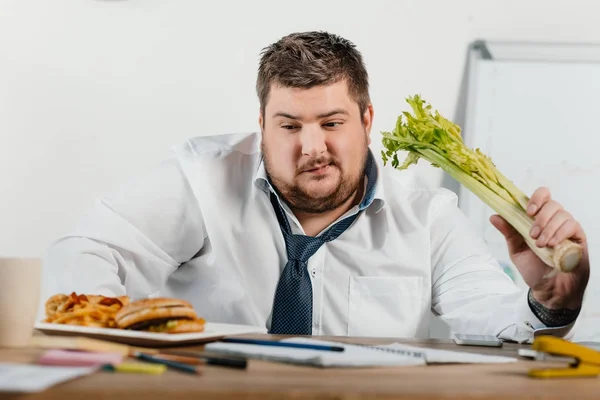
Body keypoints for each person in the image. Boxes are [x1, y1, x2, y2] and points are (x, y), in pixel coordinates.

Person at [42, 31, 589, 341]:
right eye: (289, 126)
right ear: (260, 125)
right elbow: (86, 249)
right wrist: (105, 332)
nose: (312, 148)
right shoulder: (201, 179)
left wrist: (547, 304)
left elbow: (490, 316)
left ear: (367, 119)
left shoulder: (429, 217)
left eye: (331, 123)